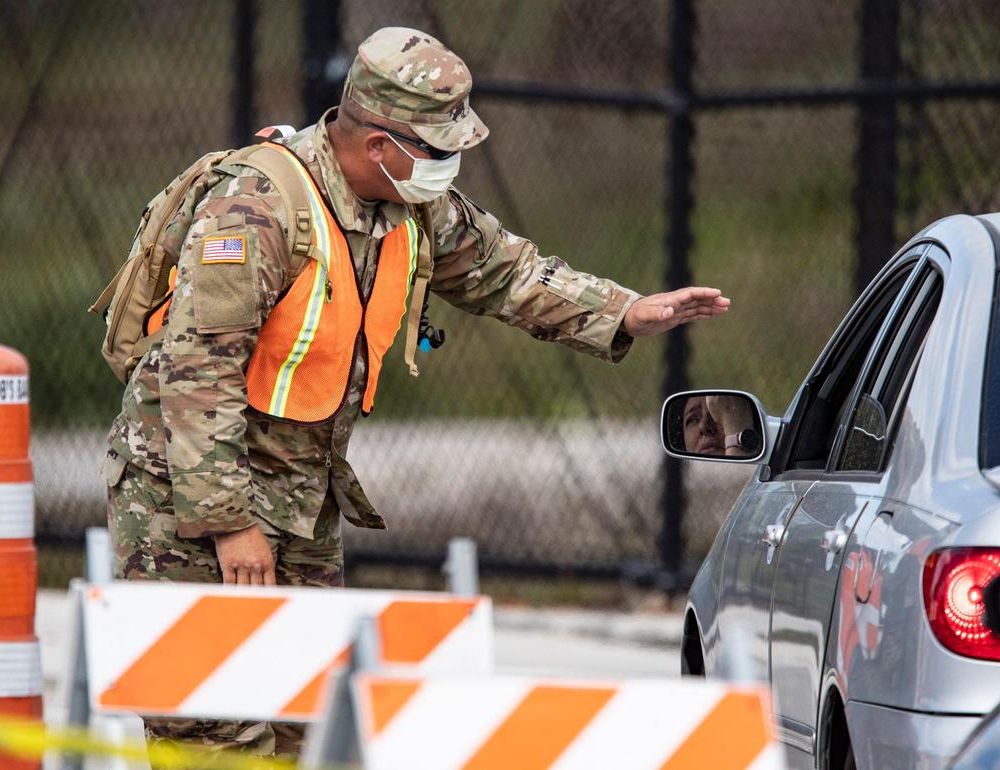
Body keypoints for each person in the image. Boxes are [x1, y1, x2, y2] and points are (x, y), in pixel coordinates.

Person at [102, 26, 729, 758]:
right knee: (211, 727)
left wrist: (626, 311)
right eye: (436, 149)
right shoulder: (256, 208)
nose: (449, 166)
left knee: (313, 724)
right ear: (378, 145)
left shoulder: (411, 205)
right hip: (188, 496)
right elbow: (197, 368)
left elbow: (506, 272)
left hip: (300, 495)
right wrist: (226, 522)